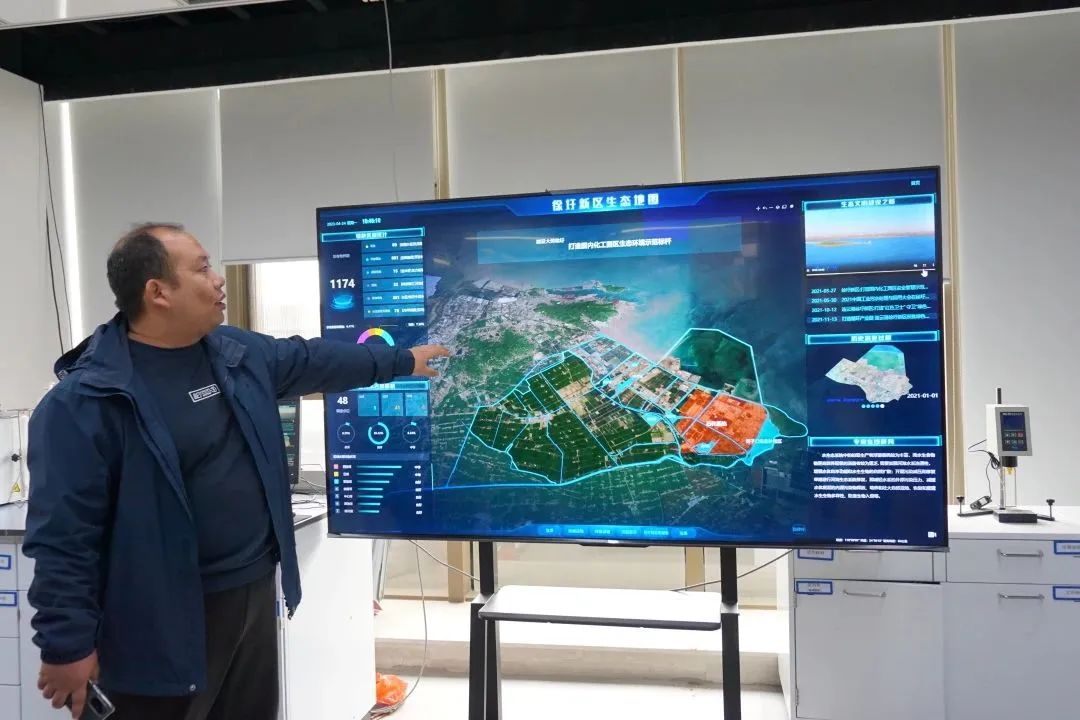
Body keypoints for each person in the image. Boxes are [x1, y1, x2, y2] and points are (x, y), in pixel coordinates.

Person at [23, 223, 449, 720]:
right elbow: (64, 537)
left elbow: (314, 359)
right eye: (202, 268)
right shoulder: (85, 403)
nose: (218, 278)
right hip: (157, 620)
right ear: (158, 292)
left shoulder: (236, 354)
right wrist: (66, 646)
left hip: (252, 595)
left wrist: (401, 360)